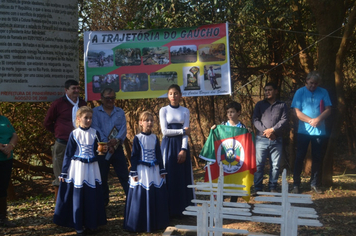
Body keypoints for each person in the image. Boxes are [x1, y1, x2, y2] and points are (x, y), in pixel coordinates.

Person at [53, 106, 107, 235]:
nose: (88, 120)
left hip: (92, 168)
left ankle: (91, 223)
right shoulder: (74, 134)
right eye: (85, 118)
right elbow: (68, 153)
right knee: (78, 195)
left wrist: (101, 152)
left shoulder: (95, 133)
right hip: (78, 168)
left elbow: (97, 150)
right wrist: (64, 172)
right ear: (78, 119)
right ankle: (78, 225)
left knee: (91, 195)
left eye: (90, 118)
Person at [124, 111, 169, 232]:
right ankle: (140, 223)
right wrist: (134, 171)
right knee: (141, 196)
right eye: (146, 120)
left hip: (154, 170)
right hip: (142, 170)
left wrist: (162, 169)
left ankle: (156, 222)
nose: (149, 123)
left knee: (156, 194)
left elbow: (159, 155)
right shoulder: (137, 138)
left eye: (151, 120)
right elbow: (134, 156)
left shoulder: (155, 137)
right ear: (140, 123)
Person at [44, 79, 87, 202]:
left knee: (78, 175)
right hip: (62, 144)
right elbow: (47, 123)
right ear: (66, 90)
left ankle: (76, 205)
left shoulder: (82, 103)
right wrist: (59, 132)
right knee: (60, 176)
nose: (76, 91)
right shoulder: (58, 104)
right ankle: (60, 208)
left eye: (78, 88)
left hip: (80, 145)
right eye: (73, 88)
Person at [291, 71, 332, 194]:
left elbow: (328, 109)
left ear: (318, 83)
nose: (313, 85)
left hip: (319, 132)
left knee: (317, 157)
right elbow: (297, 112)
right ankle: (296, 184)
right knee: (300, 157)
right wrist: (310, 121)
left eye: (315, 83)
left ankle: (314, 184)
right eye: (311, 83)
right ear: (306, 81)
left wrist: (318, 119)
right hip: (303, 131)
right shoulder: (300, 92)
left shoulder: (323, 92)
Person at [159, 84, 194, 217]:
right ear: (168, 95)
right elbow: (165, 131)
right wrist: (181, 131)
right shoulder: (164, 110)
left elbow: (187, 133)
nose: (173, 96)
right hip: (168, 146)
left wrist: (183, 149)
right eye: (171, 93)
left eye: (176, 93)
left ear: (180, 95)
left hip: (181, 146)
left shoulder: (185, 110)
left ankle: (183, 210)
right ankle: (168, 210)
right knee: (168, 176)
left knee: (182, 177)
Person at [92, 88, 129, 206]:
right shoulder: (95, 112)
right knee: (102, 176)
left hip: (117, 149)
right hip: (102, 149)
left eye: (112, 98)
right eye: (107, 98)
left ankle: (132, 201)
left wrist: (116, 141)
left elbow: (123, 129)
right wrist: (107, 143)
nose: (110, 100)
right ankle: (103, 203)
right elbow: (96, 128)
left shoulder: (120, 112)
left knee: (124, 175)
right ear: (102, 98)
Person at [253, 82, 288, 194]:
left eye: (270, 90)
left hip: (276, 138)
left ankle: (272, 187)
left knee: (275, 165)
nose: (267, 92)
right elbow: (255, 120)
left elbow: (284, 120)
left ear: (276, 91)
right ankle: (258, 188)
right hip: (261, 139)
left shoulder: (282, 105)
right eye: (266, 90)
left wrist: (272, 130)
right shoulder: (259, 104)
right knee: (259, 164)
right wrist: (266, 132)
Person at [211, 101, 247, 202]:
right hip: (223, 157)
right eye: (228, 112)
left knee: (236, 178)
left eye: (232, 112)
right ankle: (221, 201)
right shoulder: (222, 126)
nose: (230, 114)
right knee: (223, 177)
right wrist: (213, 131)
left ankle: (233, 202)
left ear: (239, 112)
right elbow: (216, 139)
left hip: (238, 158)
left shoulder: (243, 128)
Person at [0, 114, 18, 227]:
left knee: (3, 187)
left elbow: (14, 135)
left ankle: (2, 217)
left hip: (6, 160)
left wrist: (10, 146)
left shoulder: (4, 119)